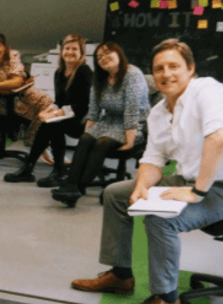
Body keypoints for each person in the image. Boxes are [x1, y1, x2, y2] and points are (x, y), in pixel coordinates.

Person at [70, 39, 223, 304]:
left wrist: (196, 192)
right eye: (159, 68)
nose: (166, 74)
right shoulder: (159, 112)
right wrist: (141, 187)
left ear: (190, 69)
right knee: (115, 194)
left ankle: (166, 299)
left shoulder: (207, 90)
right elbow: (153, 159)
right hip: (189, 181)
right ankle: (121, 276)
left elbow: (219, 138)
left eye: (174, 66)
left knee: (161, 218)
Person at [51, 41, 149, 207]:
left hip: (134, 124)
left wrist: (130, 142)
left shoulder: (132, 74)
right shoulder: (100, 78)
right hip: (109, 121)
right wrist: (88, 133)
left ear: (119, 54)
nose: (104, 58)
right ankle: (71, 186)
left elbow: (131, 111)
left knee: (102, 143)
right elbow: (94, 111)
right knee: (86, 139)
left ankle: (77, 188)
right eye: (99, 57)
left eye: (108, 53)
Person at [4, 33, 94, 187]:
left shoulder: (84, 71)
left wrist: (57, 114)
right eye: (67, 48)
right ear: (62, 51)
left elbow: (82, 106)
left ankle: (50, 170)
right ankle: (34, 169)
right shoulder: (59, 72)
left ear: (81, 53)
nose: (70, 52)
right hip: (68, 117)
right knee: (47, 122)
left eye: (74, 49)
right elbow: (59, 102)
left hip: (84, 121)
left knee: (53, 124)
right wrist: (48, 111)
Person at [0, 33, 54, 149]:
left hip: (19, 93)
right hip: (2, 101)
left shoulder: (12, 56)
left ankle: (32, 137)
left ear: (5, 47)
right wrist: (9, 83)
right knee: (35, 109)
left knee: (47, 102)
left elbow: (18, 81)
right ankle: (34, 142)